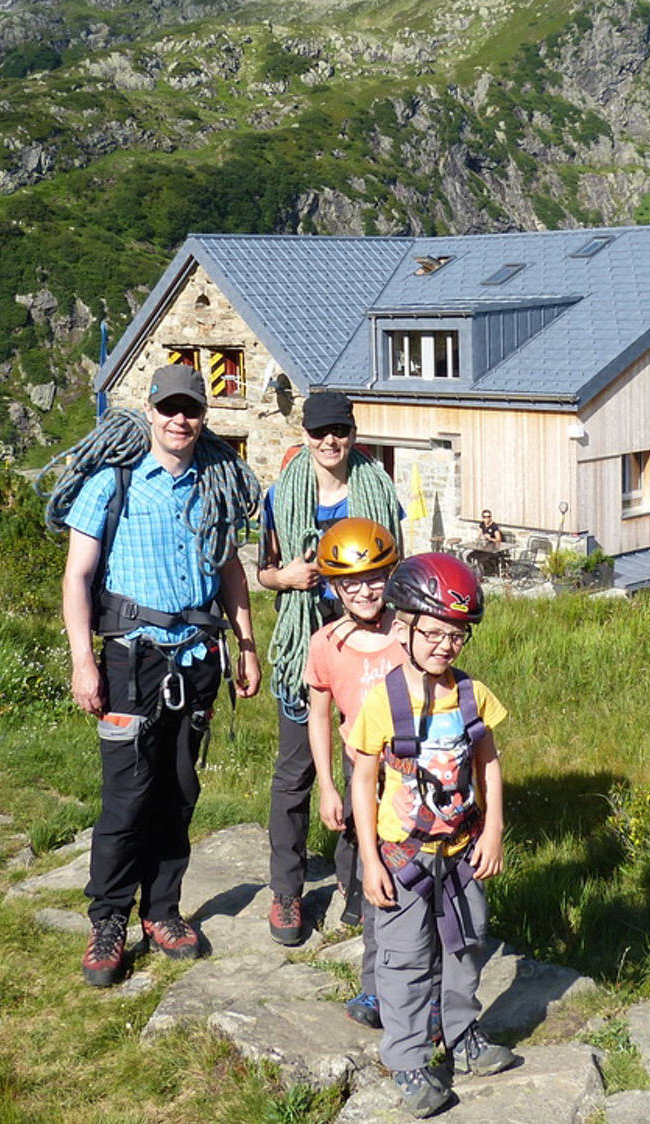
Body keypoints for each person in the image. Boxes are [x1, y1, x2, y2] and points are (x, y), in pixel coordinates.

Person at [50, 363, 264, 988]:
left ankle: (163, 912)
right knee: (127, 796)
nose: (180, 419)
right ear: (150, 411)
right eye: (169, 407)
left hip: (197, 660)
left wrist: (247, 647)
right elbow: (77, 578)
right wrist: (82, 661)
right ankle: (109, 920)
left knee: (179, 791)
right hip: (129, 661)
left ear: (203, 416)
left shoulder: (214, 485)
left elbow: (230, 574)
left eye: (191, 409)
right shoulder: (110, 484)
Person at [349, 554, 517, 1117]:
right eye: (436, 634)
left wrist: (493, 828)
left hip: (463, 851)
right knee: (405, 960)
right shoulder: (383, 702)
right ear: (405, 629)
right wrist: (369, 861)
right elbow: (364, 779)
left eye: (458, 637)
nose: (446, 646)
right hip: (403, 859)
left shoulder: (472, 696)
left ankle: (463, 1034)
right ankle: (408, 1058)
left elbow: (488, 763)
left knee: (466, 945)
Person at [257, 390, 402, 947]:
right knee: (296, 771)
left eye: (339, 430)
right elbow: (264, 569)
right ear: (305, 432)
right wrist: (286, 579)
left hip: (367, 640)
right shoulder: (284, 492)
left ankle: (356, 881)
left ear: (353, 430)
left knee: (367, 762)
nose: (329, 441)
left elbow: (398, 562)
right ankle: (287, 890)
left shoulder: (379, 488)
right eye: (319, 432)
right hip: (306, 644)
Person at [304, 518, 406, 1030]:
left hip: (412, 772)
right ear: (334, 587)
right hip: (361, 774)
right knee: (374, 877)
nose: (364, 591)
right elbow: (319, 716)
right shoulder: (326, 645)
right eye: (351, 583)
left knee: (420, 880)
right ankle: (374, 987)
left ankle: (424, 987)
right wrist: (326, 785)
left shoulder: (410, 631)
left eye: (374, 578)